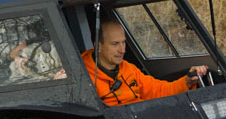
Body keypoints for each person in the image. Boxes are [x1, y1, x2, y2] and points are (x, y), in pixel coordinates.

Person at [80, 19, 208, 105]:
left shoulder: (129, 69)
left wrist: (187, 81)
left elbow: (159, 90)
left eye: (123, 42)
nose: (122, 50)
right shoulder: (82, 75)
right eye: (115, 44)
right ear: (98, 46)